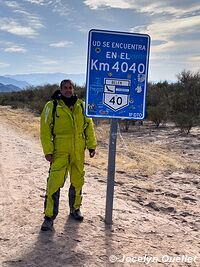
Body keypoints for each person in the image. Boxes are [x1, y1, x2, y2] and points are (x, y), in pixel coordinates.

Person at [40, 79, 97, 231]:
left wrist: (91, 146)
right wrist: (48, 151)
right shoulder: (51, 106)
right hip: (60, 151)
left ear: (73, 89)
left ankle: (75, 209)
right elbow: (45, 130)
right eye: (65, 88)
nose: (68, 90)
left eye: (70, 87)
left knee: (78, 181)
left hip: (78, 150)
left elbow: (89, 126)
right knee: (54, 183)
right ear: (60, 89)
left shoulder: (82, 105)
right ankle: (49, 217)